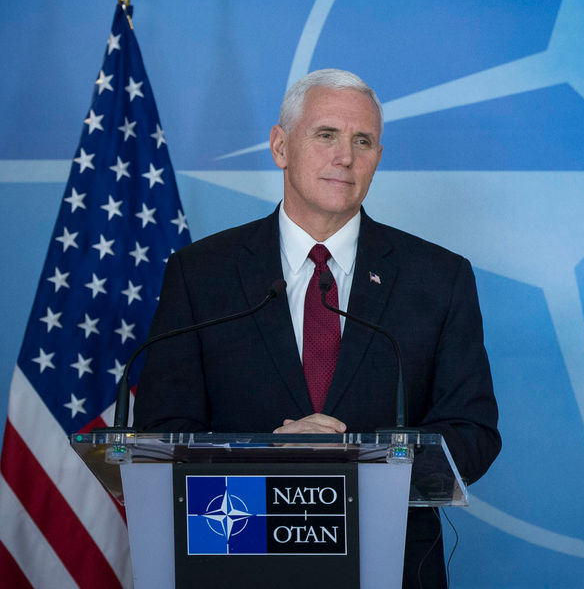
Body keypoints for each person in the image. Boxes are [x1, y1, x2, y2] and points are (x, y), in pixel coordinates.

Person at [135, 68, 500, 587]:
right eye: (326, 134)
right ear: (280, 146)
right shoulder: (200, 273)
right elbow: (162, 430)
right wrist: (267, 457)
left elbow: (472, 433)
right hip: (238, 558)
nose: (345, 156)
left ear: (377, 157)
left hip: (391, 565)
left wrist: (356, 462)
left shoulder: (439, 278)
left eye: (362, 141)